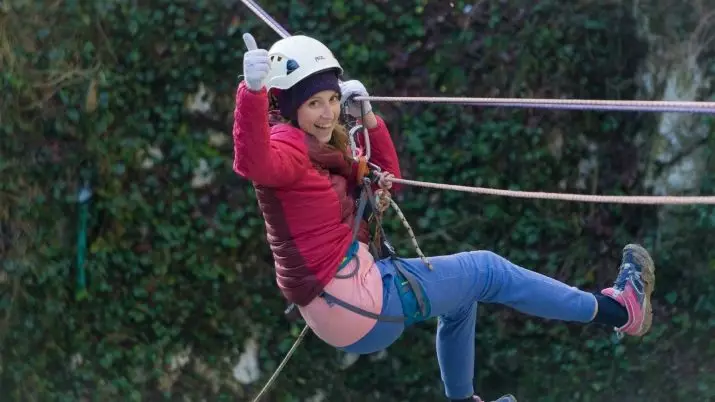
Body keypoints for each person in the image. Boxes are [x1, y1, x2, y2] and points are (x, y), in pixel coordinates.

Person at [233, 32, 656, 402]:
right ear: (286, 107)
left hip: (341, 309)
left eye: (330, 100)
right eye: (313, 103)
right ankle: (619, 311)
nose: (327, 114)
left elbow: (387, 180)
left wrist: (369, 120)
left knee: (461, 298)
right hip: (355, 303)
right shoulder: (286, 149)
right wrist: (250, 94)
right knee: (487, 269)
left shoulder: (316, 148)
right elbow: (254, 162)